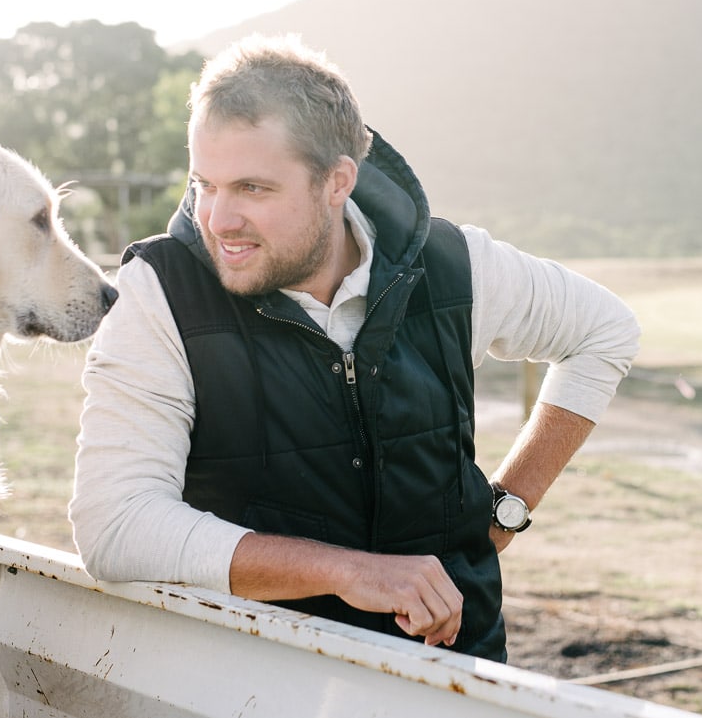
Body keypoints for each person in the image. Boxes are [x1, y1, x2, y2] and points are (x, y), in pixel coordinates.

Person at [68, 34, 640, 662]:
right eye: (205, 184)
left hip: (453, 677)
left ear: (337, 180)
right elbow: (115, 525)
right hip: (251, 686)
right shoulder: (160, 291)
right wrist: (350, 571)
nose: (218, 219)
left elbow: (604, 331)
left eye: (253, 189)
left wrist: (507, 507)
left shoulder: (452, 264)